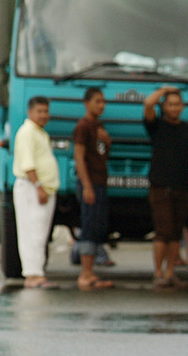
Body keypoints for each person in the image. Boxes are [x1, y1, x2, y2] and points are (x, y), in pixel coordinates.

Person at [143, 86, 188, 287]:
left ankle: (170, 272)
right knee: (163, 231)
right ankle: (158, 273)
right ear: (164, 106)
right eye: (170, 104)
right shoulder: (157, 126)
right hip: (160, 187)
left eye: (177, 104)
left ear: (183, 106)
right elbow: (147, 104)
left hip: (182, 187)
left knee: (176, 233)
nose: (174, 108)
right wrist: (164, 90)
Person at [12, 96, 60, 289]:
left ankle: (36, 272)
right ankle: (33, 274)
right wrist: (38, 185)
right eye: (39, 111)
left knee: (40, 232)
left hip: (42, 189)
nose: (43, 115)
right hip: (31, 188)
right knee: (32, 232)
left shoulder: (40, 133)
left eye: (46, 111)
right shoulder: (27, 132)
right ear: (30, 112)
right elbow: (27, 163)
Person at [73, 87, 114, 290]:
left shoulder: (98, 126)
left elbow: (102, 154)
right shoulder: (83, 126)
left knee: (97, 225)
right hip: (89, 182)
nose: (102, 105)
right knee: (88, 226)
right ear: (86, 103)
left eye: (103, 102)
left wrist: (107, 142)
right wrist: (87, 185)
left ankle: (91, 271)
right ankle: (85, 273)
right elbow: (79, 157)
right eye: (97, 101)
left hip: (99, 181)